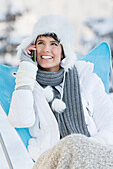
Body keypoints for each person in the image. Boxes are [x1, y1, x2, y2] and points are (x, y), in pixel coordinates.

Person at [8, 14, 113, 162]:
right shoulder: (28, 83)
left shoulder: (86, 78)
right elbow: (20, 120)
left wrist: (89, 148)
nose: (46, 49)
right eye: (41, 43)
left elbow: (109, 123)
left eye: (53, 44)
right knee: (71, 143)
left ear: (64, 50)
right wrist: (26, 68)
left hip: (92, 154)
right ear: (33, 47)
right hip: (51, 160)